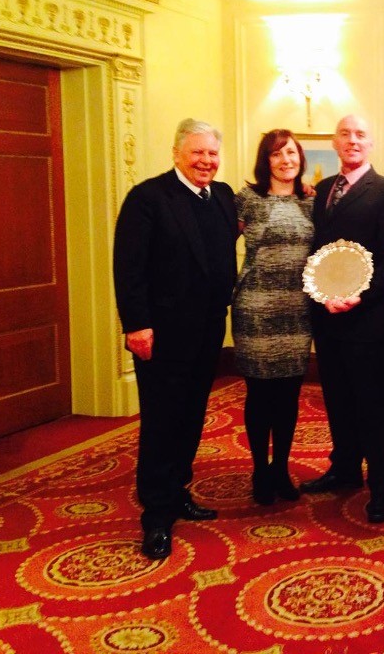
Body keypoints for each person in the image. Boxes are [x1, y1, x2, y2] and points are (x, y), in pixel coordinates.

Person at [113, 118, 237, 560]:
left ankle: (178, 490)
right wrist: (136, 325)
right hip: (162, 334)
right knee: (162, 420)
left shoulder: (222, 196)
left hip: (208, 329)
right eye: (197, 152)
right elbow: (128, 267)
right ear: (176, 153)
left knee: (191, 414)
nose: (206, 161)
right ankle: (156, 515)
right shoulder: (148, 198)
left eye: (212, 153)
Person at [299, 114, 384, 525]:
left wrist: (358, 297)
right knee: (336, 398)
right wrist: (324, 296)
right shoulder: (323, 190)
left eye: (360, 134)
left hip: (366, 319)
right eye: (345, 134)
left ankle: (382, 486)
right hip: (326, 316)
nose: (352, 140)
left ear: (371, 142)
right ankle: (344, 467)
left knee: (373, 403)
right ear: (334, 142)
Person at [233, 129, 314, 506]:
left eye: (291, 153)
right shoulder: (247, 200)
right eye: (277, 154)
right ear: (265, 161)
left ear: (300, 158)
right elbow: (216, 244)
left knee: (288, 395)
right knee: (260, 395)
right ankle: (259, 470)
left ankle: (280, 467)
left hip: (297, 311)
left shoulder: (310, 202)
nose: (286, 161)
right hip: (255, 309)